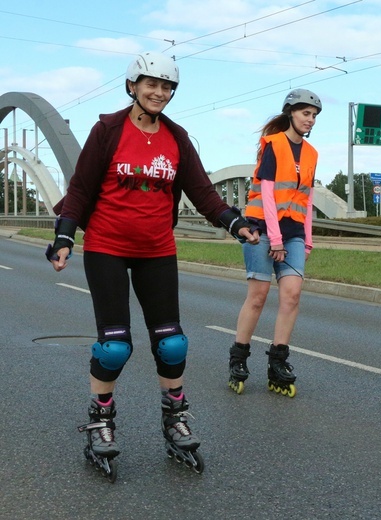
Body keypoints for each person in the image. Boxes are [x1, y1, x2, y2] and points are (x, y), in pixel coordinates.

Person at [46, 51, 260, 469]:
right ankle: (101, 421)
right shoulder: (107, 129)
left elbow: (203, 192)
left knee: (172, 341)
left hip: (157, 249)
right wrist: (64, 237)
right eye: (151, 84)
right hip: (107, 246)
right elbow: (81, 189)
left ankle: (176, 420)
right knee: (114, 347)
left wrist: (235, 224)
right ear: (132, 86)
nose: (159, 92)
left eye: (167, 87)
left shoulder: (176, 137)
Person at [228, 88, 322, 397]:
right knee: (258, 296)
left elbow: (306, 200)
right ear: (290, 113)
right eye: (305, 113)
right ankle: (238, 358)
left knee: (292, 296)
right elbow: (267, 194)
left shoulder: (311, 154)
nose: (310, 119)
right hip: (262, 229)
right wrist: (276, 239)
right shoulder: (273, 145)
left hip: (294, 233)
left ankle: (278, 362)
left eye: (314, 115)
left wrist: (306, 240)